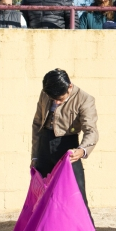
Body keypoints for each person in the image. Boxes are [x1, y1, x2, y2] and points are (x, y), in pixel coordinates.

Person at [31, 69, 99, 222]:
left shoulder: (85, 99)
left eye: (59, 99)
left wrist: (82, 150)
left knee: (77, 196)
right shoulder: (46, 93)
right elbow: (37, 124)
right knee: (41, 196)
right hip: (44, 146)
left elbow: (91, 130)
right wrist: (35, 155)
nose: (56, 102)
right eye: (52, 98)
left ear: (69, 87)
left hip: (68, 149)